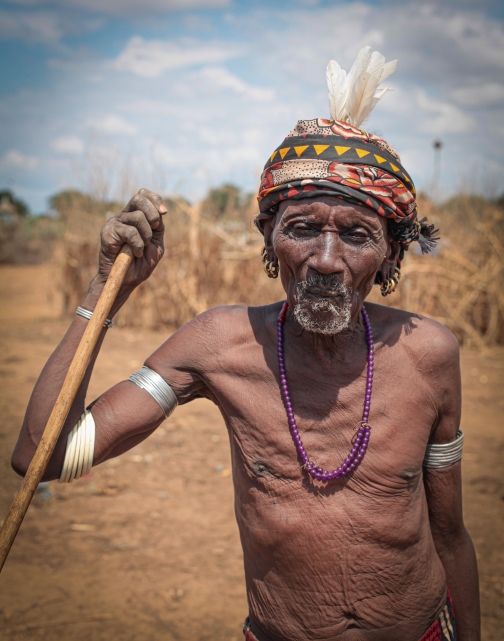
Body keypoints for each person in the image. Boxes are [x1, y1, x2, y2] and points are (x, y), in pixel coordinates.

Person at [11, 49, 480, 641]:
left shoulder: (429, 354)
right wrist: (107, 289)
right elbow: (44, 456)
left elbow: (451, 536)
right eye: (302, 228)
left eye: (357, 236)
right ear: (269, 236)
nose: (327, 261)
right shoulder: (219, 346)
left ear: (390, 251)